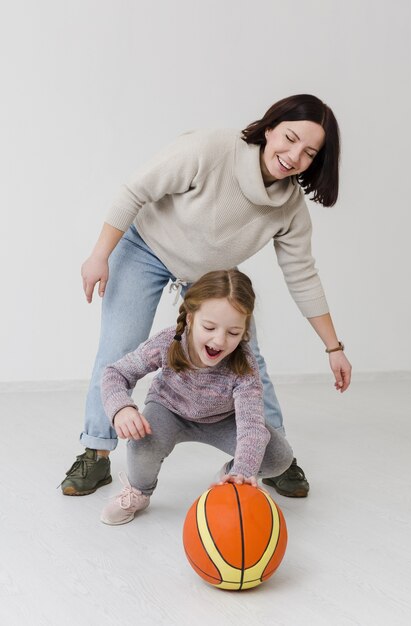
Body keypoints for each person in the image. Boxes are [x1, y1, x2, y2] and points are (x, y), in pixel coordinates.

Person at [61, 93, 352, 499]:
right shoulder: (211, 150)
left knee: (248, 361)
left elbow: (302, 275)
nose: (293, 156)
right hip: (146, 246)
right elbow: (135, 190)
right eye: (289, 138)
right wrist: (99, 255)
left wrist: (333, 347)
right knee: (118, 348)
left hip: (207, 275)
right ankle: (96, 450)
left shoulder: (289, 208)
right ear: (269, 129)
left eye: (309, 153)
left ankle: (270, 452)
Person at [99, 269, 293, 525]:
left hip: (223, 420)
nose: (219, 340)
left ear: (245, 330)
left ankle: (228, 478)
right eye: (209, 327)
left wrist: (241, 473)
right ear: (190, 318)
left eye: (233, 333)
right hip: (169, 411)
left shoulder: (244, 364)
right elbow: (115, 373)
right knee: (142, 442)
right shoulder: (170, 342)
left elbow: (252, 427)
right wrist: (121, 408)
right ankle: (139, 491)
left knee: (279, 456)